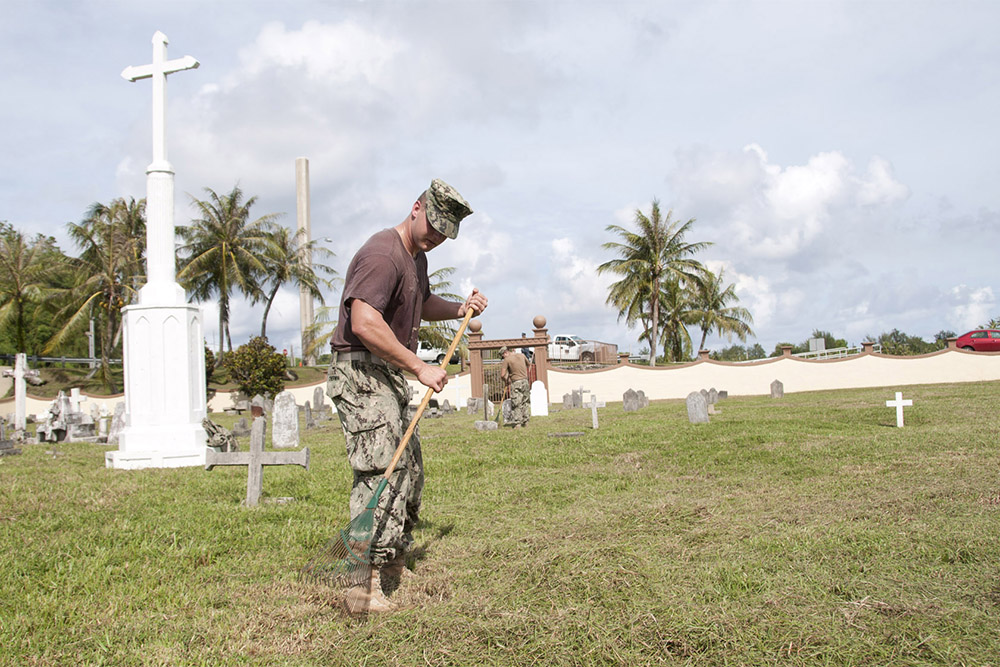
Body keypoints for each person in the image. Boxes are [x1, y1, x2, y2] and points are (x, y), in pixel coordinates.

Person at [327, 178, 488, 614]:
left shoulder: (415, 259)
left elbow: (421, 301)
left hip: (387, 372)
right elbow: (364, 321)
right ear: (415, 207)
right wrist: (419, 366)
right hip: (362, 372)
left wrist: (460, 309)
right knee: (383, 469)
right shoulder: (383, 254)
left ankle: (393, 559)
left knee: (410, 469)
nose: (436, 236)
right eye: (432, 225)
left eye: (444, 233)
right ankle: (361, 584)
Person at [499, 345, 530, 429]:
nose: (503, 357)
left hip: (516, 382)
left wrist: (506, 380)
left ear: (505, 353)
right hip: (525, 381)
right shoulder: (522, 355)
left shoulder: (507, 360)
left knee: (516, 403)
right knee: (525, 402)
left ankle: (518, 423)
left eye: (503, 356)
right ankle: (526, 421)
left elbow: (502, 375)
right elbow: (528, 364)